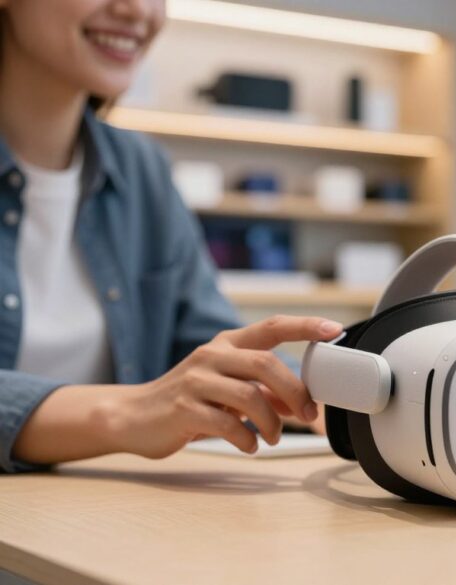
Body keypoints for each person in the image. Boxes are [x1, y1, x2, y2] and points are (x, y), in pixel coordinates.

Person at [0, 0, 341, 473]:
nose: (136, 9)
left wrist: (317, 390)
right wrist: (127, 412)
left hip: (100, 521)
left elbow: (203, 347)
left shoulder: (142, 171)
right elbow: (155, 400)